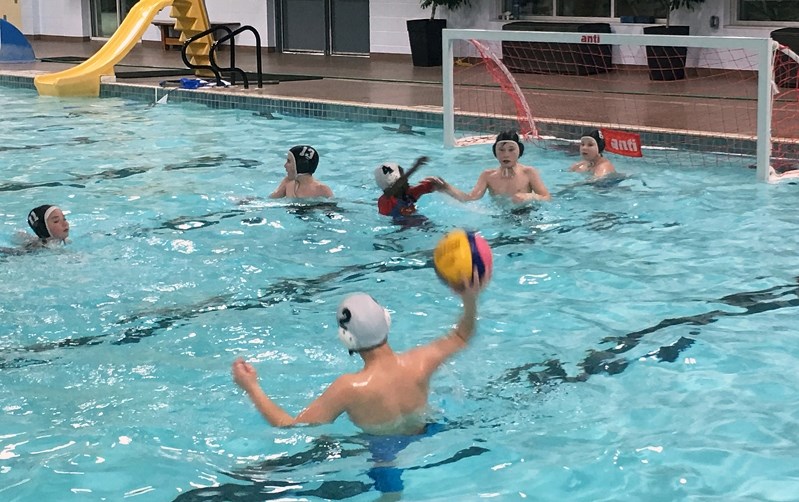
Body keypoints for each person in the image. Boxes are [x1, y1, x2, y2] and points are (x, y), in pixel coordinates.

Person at [231, 274, 482, 436]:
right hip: (430, 432)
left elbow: (291, 427)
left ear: (346, 338)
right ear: (387, 321)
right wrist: (469, 299)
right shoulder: (419, 362)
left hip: (384, 455)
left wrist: (251, 387)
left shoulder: (349, 388)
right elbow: (462, 335)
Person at [440, 130, 551, 204]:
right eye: (501, 150)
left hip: (526, 216)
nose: (506, 154)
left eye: (511, 150)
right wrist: (445, 187)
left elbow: (547, 198)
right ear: (495, 152)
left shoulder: (529, 172)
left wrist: (529, 197)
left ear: (519, 151)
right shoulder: (488, 176)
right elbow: (470, 198)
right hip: (500, 219)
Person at [374, 161, 446, 219]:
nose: (406, 179)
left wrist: (435, 183)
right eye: (403, 177)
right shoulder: (385, 201)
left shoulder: (409, 193)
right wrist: (415, 167)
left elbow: (432, 186)